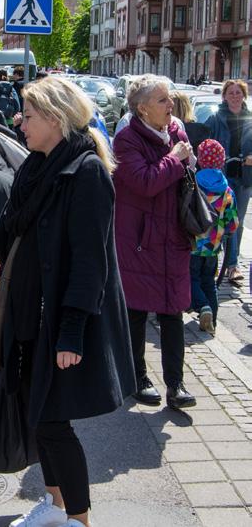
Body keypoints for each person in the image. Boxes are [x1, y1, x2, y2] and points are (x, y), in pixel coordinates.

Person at [0, 76, 135, 527]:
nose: (21, 123)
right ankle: (56, 508)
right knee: (38, 416)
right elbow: (15, 229)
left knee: (53, 420)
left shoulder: (86, 171)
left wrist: (72, 330)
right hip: (31, 312)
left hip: (62, 318)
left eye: (29, 115)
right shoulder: (37, 166)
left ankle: (79, 519)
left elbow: (91, 261)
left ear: (55, 119)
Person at [113, 74, 197, 410]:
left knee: (173, 311)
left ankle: (176, 385)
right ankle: (138, 378)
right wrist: (176, 159)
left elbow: (183, 173)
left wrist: (188, 161)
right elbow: (146, 182)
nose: (171, 104)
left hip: (172, 237)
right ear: (143, 109)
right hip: (139, 240)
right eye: (162, 100)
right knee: (136, 311)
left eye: (170, 98)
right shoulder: (126, 140)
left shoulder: (176, 129)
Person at [205, 79, 252, 285]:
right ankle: (224, 263)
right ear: (224, 96)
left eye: (238, 93)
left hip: (244, 178)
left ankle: (232, 265)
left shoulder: (250, 119)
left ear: (244, 96)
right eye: (231, 93)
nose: (235, 96)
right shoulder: (216, 118)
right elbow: (203, 142)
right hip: (221, 179)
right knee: (221, 221)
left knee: (237, 222)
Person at [191, 140, 238, 334]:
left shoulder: (193, 184)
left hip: (193, 243)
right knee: (209, 281)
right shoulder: (227, 190)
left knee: (191, 278)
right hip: (213, 246)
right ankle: (213, 321)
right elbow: (232, 223)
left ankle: (203, 307)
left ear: (200, 160)